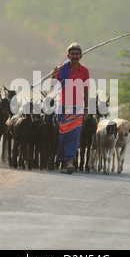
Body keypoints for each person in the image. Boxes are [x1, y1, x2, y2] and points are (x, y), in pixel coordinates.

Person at [50, 42, 89, 174]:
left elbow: (86, 90)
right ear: (68, 56)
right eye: (72, 54)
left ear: (81, 56)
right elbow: (53, 85)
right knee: (62, 135)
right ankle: (61, 162)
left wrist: (86, 108)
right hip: (62, 106)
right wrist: (53, 74)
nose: (74, 56)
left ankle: (69, 164)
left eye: (77, 54)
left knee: (74, 136)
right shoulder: (62, 69)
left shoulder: (84, 71)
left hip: (77, 108)